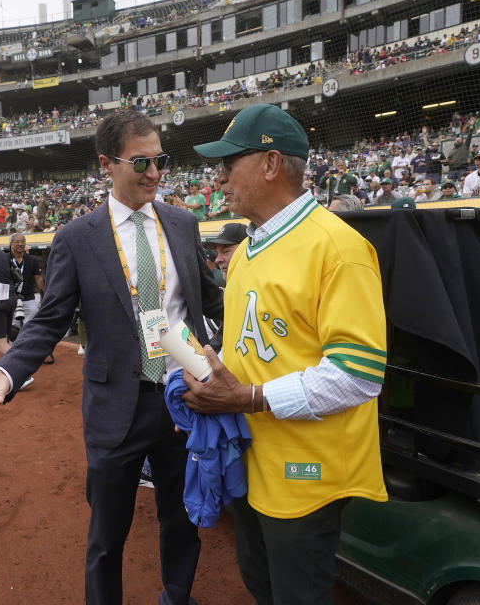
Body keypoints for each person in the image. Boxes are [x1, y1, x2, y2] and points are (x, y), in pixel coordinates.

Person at [0, 109, 223, 605]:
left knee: (181, 518)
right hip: (114, 407)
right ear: (107, 163)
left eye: (160, 160)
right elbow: (51, 319)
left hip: (182, 397)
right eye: (141, 162)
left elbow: (212, 301)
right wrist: (9, 371)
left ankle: (178, 597)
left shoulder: (184, 224)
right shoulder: (77, 237)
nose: (155, 174)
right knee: (107, 537)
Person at [187, 103, 387, 605]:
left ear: (271, 164)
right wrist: (211, 389)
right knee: (262, 584)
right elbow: (250, 351)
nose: (220, 178)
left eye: (229, 163)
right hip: (254, 458)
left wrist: (248, 397)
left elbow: (358, 373)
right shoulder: (250, 251)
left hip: (307, 472)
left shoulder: (337, 247)